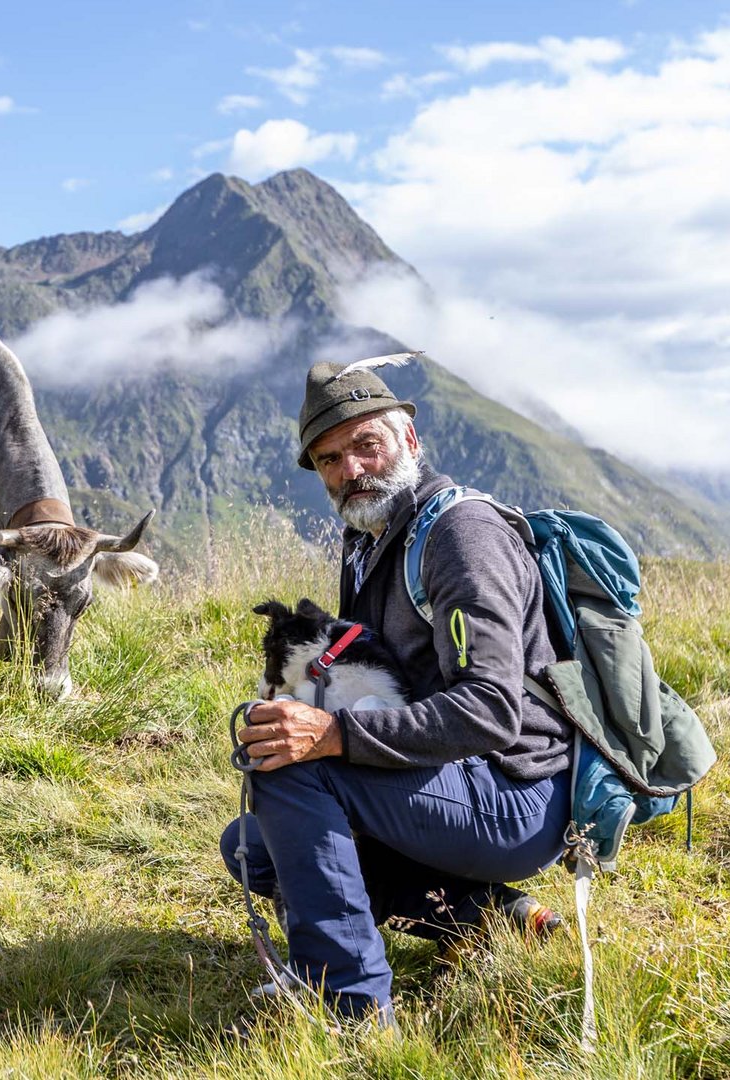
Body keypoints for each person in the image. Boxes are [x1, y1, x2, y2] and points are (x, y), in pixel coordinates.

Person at [221, 357, 570, 1024]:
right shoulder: (368, 540)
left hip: (515, 790)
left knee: (296, 776)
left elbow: (492, 709)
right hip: (447, 776)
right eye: (329, 459)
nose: (349, 470)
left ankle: (348, 1002)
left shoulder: (460, 538)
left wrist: (332, 736)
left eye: (365, 445)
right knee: (252, 845)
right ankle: (482, 915)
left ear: (410, 440)